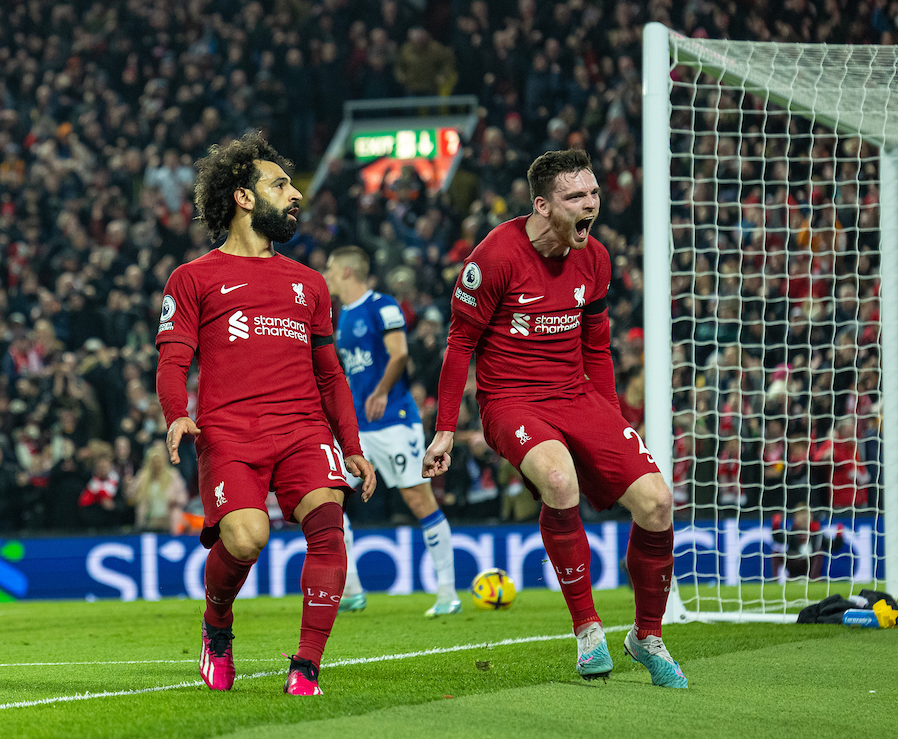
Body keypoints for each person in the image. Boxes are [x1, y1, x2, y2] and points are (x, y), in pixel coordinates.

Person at [422, 150, 687, 688]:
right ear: (543, 206)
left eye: (592, 193)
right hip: (511, 401)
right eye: (575, 197)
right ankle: (588, 631)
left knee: (658, 503)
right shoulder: (494, 256)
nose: (591, 204)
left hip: (578, 395)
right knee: (560, 480)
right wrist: (446, 428)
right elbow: (459, 346)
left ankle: (647, 636)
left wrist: (613, 421)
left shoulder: (596, 259)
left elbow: (597, 347)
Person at [156, 131, 376, 696]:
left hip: (304, 430)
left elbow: (330, 375)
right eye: (281, 184)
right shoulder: (193, 278)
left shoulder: (309, 284)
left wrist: (350, 446)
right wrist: (176, 413)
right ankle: (217, 627)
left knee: (328, 527)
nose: (296, 194)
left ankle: (305, 667)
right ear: (244, 198)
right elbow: (174, 356)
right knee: (248, 537)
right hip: (229, 433)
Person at [323, 245, 459, 617]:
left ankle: (448, 593)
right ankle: (351, 589)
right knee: (330, 496)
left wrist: (382, 391)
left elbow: (398, 353)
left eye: (332, 268)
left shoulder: (381, 305)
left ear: (348, 272)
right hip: (358, 428)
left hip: (395, 420)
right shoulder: (344, 315)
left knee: (418, 499)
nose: (328, 274)